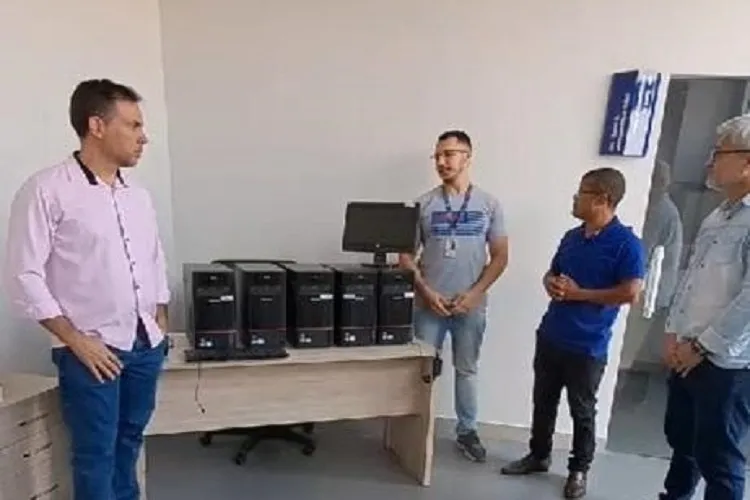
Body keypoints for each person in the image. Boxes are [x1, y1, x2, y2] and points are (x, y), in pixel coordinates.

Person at [4, 79, 170, 500]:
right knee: (96, 455)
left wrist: (160, 322)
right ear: (97, 126)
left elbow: (154, 259)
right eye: (133, 125)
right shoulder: (46, 190)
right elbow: (24, 274)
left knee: (130, 443)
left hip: (144, 344)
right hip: (91, 351)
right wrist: (76, 341)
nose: (143, 137)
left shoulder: (138, 196)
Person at [501, 167, 645, 499]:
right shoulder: (571, 237)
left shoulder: (627, 244)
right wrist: (550, 283)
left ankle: (578, 470)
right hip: (552, 334)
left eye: (582, 192)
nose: (575, 198)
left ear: (602, 199)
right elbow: (552, 273)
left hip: (588, 345)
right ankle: (538, 455)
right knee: (543, 401)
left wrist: (581, 294)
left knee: (582, 411)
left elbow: (631, 292)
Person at [399, 130, 509, 463]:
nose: (442, 162)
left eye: (449, 154)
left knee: (467, 370)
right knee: (422, 370)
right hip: (429, 304)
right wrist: (426, 291)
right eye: (437, 156)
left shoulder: (489, 204)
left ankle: (467, 431)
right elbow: (404, 256)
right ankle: (416, 429)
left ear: (467, 157)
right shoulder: (423, 204)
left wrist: (475, 294)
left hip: (469, 306)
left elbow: (500, 256)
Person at [658, 114, 750, 500]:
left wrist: (701, 346)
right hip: (688, 351)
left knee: (719, 459)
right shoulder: (717, 217)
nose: (710, 162)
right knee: (684, 443)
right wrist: (673, 332)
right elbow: (691, 280)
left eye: (719, 154)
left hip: (727, 363)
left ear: (747, 162)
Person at [632, 160, 683, 366]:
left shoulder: (660, 211)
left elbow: (642, 253)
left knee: (627, 348)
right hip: (652, 290)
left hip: (649, 292)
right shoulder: (660, 208)